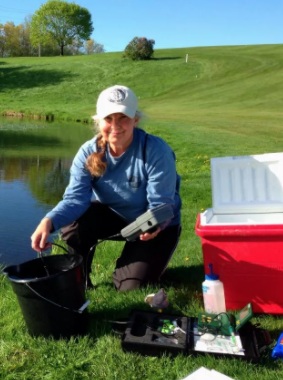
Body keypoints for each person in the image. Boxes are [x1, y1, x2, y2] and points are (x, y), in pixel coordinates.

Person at [31, 85, 182, 291]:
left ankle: (134, 263)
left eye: (123, 118)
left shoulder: (156, 150)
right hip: (115, 218)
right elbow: (75, 200)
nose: (115, 126)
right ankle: (80, 278)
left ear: (135, 120)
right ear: (98, 121)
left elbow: (162, 205)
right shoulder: (87, 152)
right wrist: (48, 221)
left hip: (154, 227)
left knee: (129, 287)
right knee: (73, 221)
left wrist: (155, 225)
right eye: (108, 119)